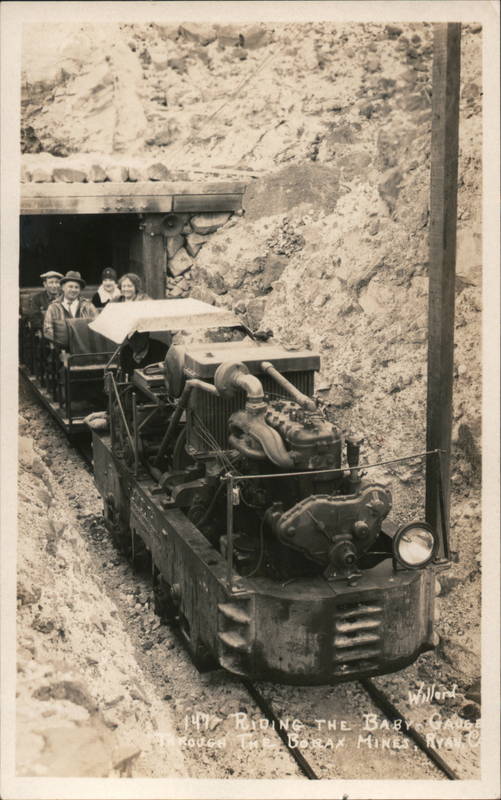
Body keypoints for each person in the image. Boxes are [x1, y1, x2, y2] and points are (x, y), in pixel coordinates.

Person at [43, 270, 97, 345]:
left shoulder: (88, 306)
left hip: (85, 348)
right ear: (63, 287)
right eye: (70, 287)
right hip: (62, 348)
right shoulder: (54, 307)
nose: (73, 290)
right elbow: (47, 330)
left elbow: (97, 327)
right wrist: (61, 345)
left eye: (76, 287)